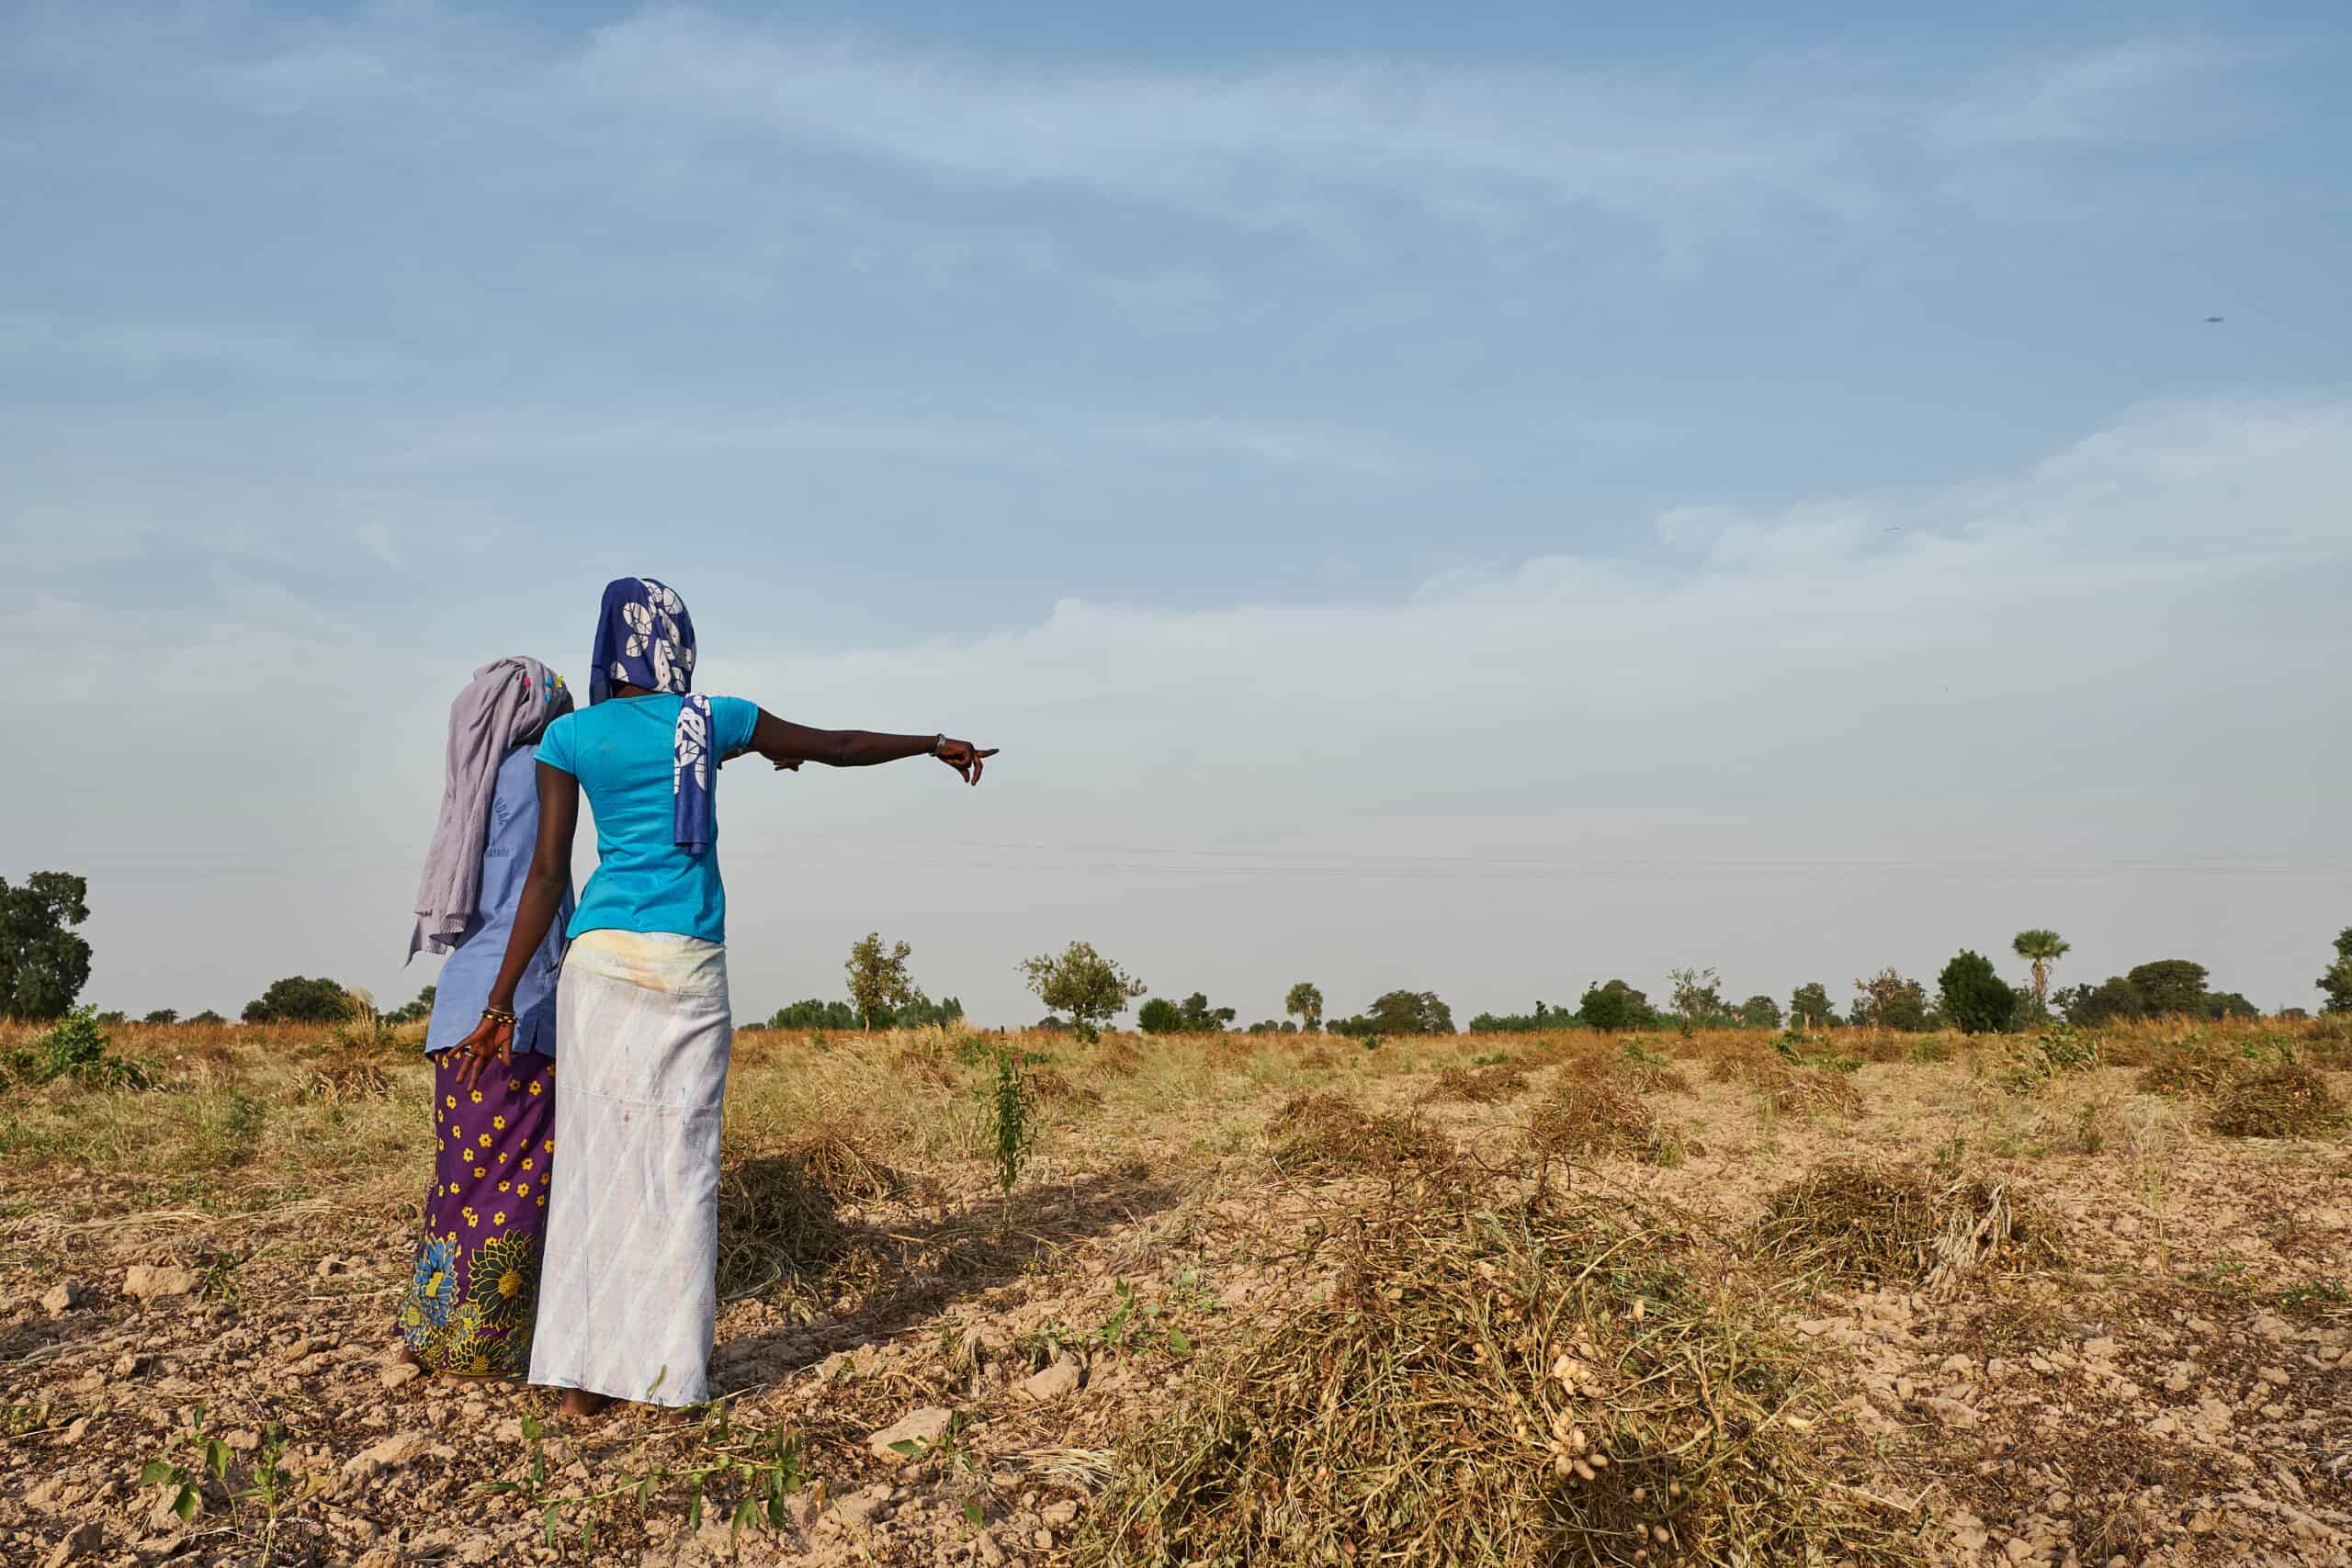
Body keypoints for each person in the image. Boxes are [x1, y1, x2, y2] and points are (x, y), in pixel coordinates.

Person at [451, 577, 994, 1416]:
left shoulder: (569, 737)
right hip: (686, 964)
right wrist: (932, 742)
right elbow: (838, 744)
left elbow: (548, 876)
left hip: (600, 964)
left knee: (595, 1166)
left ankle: (581, 1385)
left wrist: (499, 1002)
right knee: (681, 1166)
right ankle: (669, 1379)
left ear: (608, 647)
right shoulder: (712, 721)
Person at [396, 657, 577, 1377]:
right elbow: (545, 880)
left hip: (457, 1011)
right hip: (514, 1008)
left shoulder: (474, 782)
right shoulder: (542, 773)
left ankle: (427, 1334)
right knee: (514, 1185)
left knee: (458, 1182)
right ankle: (484, 1347)